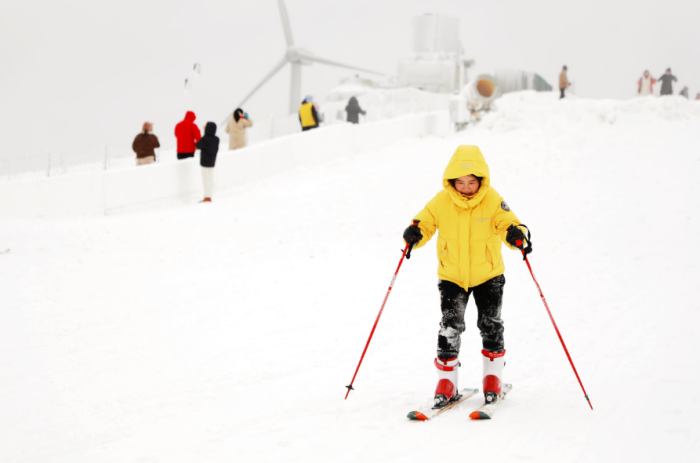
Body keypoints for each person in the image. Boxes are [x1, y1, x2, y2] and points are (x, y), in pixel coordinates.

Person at [402, 145, 532, 415]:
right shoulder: (442, 200)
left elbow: (509, 222)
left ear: (481, 180)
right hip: (452, 276)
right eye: (459, 182)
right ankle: (447, 383)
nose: (465, 187)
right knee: (449, 327)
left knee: (490, 324)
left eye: (471, 182)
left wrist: (517, 235)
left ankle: (493, 378)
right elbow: (424, 222)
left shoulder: (493, 199)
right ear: (451, 182)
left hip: (489, 275)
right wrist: (414, 234)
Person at [195, 122, 219, 202]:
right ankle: (208, 195)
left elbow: (197, 145)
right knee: (210, 179)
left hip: (204, 162)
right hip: (212, 162)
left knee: (206, 179)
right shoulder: (216, 139)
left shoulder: (205, 139)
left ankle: (207, 197)